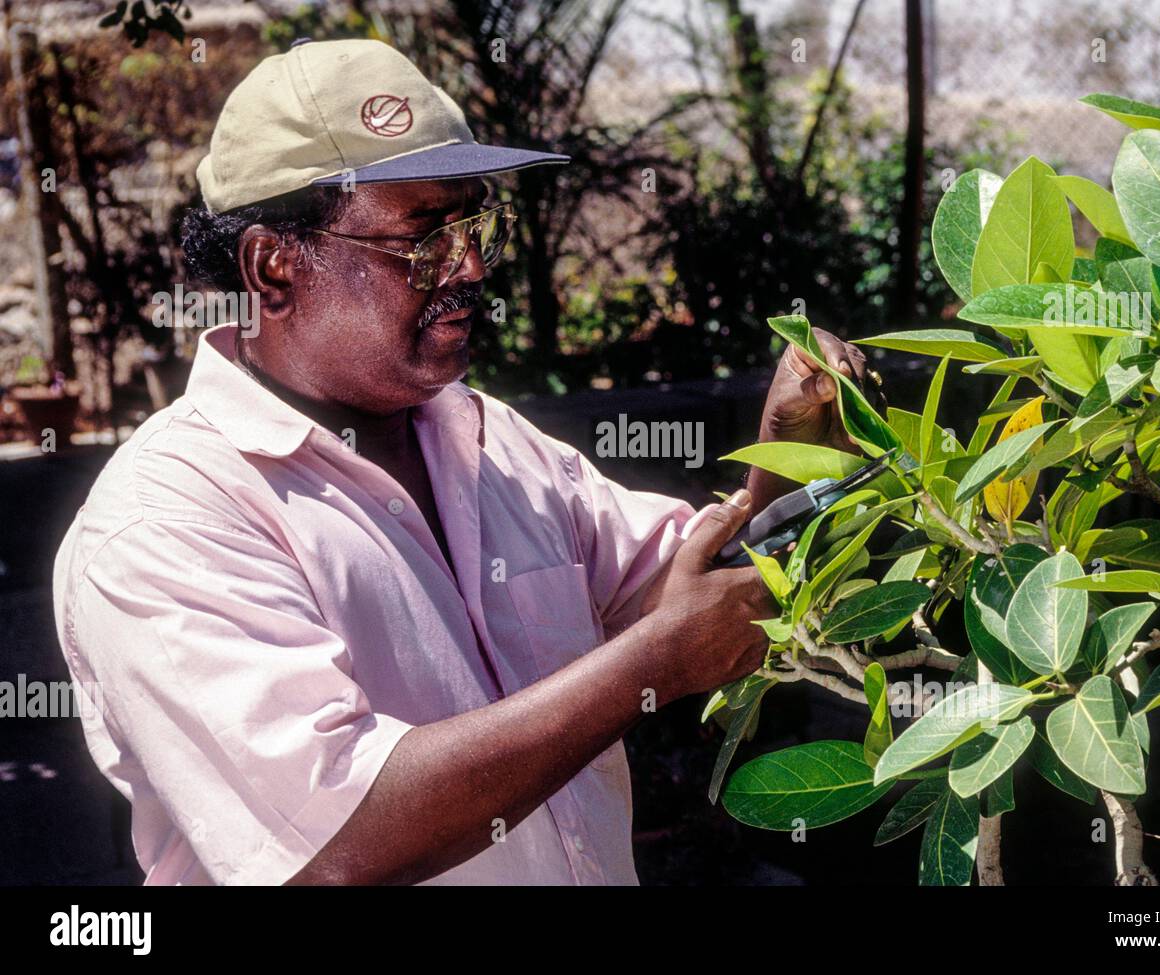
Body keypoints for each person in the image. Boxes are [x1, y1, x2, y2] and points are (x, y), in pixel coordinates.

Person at [51, 38, 878, 885]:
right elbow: (336, 841)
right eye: (422, 236)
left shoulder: (485, 438)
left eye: (474, 223)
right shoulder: (170, 518)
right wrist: (654, 662)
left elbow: (686, 600)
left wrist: (791, 457)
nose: (471, 264)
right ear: (272, 267)